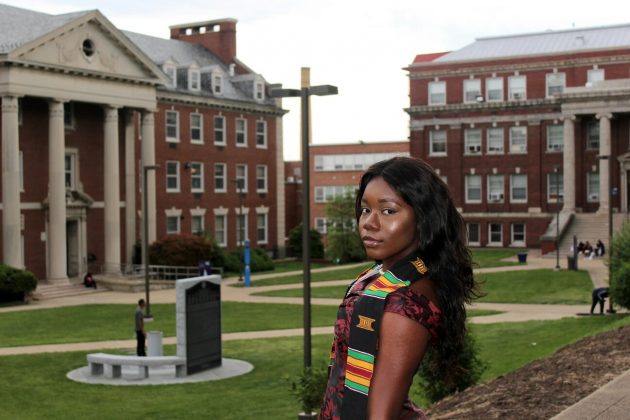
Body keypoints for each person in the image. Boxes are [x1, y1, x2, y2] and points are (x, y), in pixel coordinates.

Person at [319, 157, 479, 419]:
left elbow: (381, 415)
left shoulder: (404, 305)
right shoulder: (391, 274)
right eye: (365, 209)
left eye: (388, 211)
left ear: (423, 218)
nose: (369, 223)